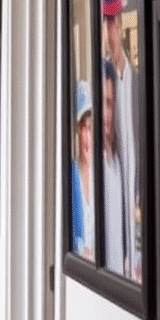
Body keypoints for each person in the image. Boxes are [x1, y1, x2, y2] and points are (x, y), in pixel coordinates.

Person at [101, 0, 138, 278]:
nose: (111, 29)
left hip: (134, 252)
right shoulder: (102, 76)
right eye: (106, 22)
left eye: (115, 21)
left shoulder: (132, 78)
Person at [101, 60, 125, 275]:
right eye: (100, 104)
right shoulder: (93, 161)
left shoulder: (117, 158)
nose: (105, 114)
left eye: (109, 103)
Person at [71, 79, 95, 260]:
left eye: (91, 128)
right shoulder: (70, 176)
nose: (87, 136)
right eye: (83, 128)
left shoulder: (104, 176)